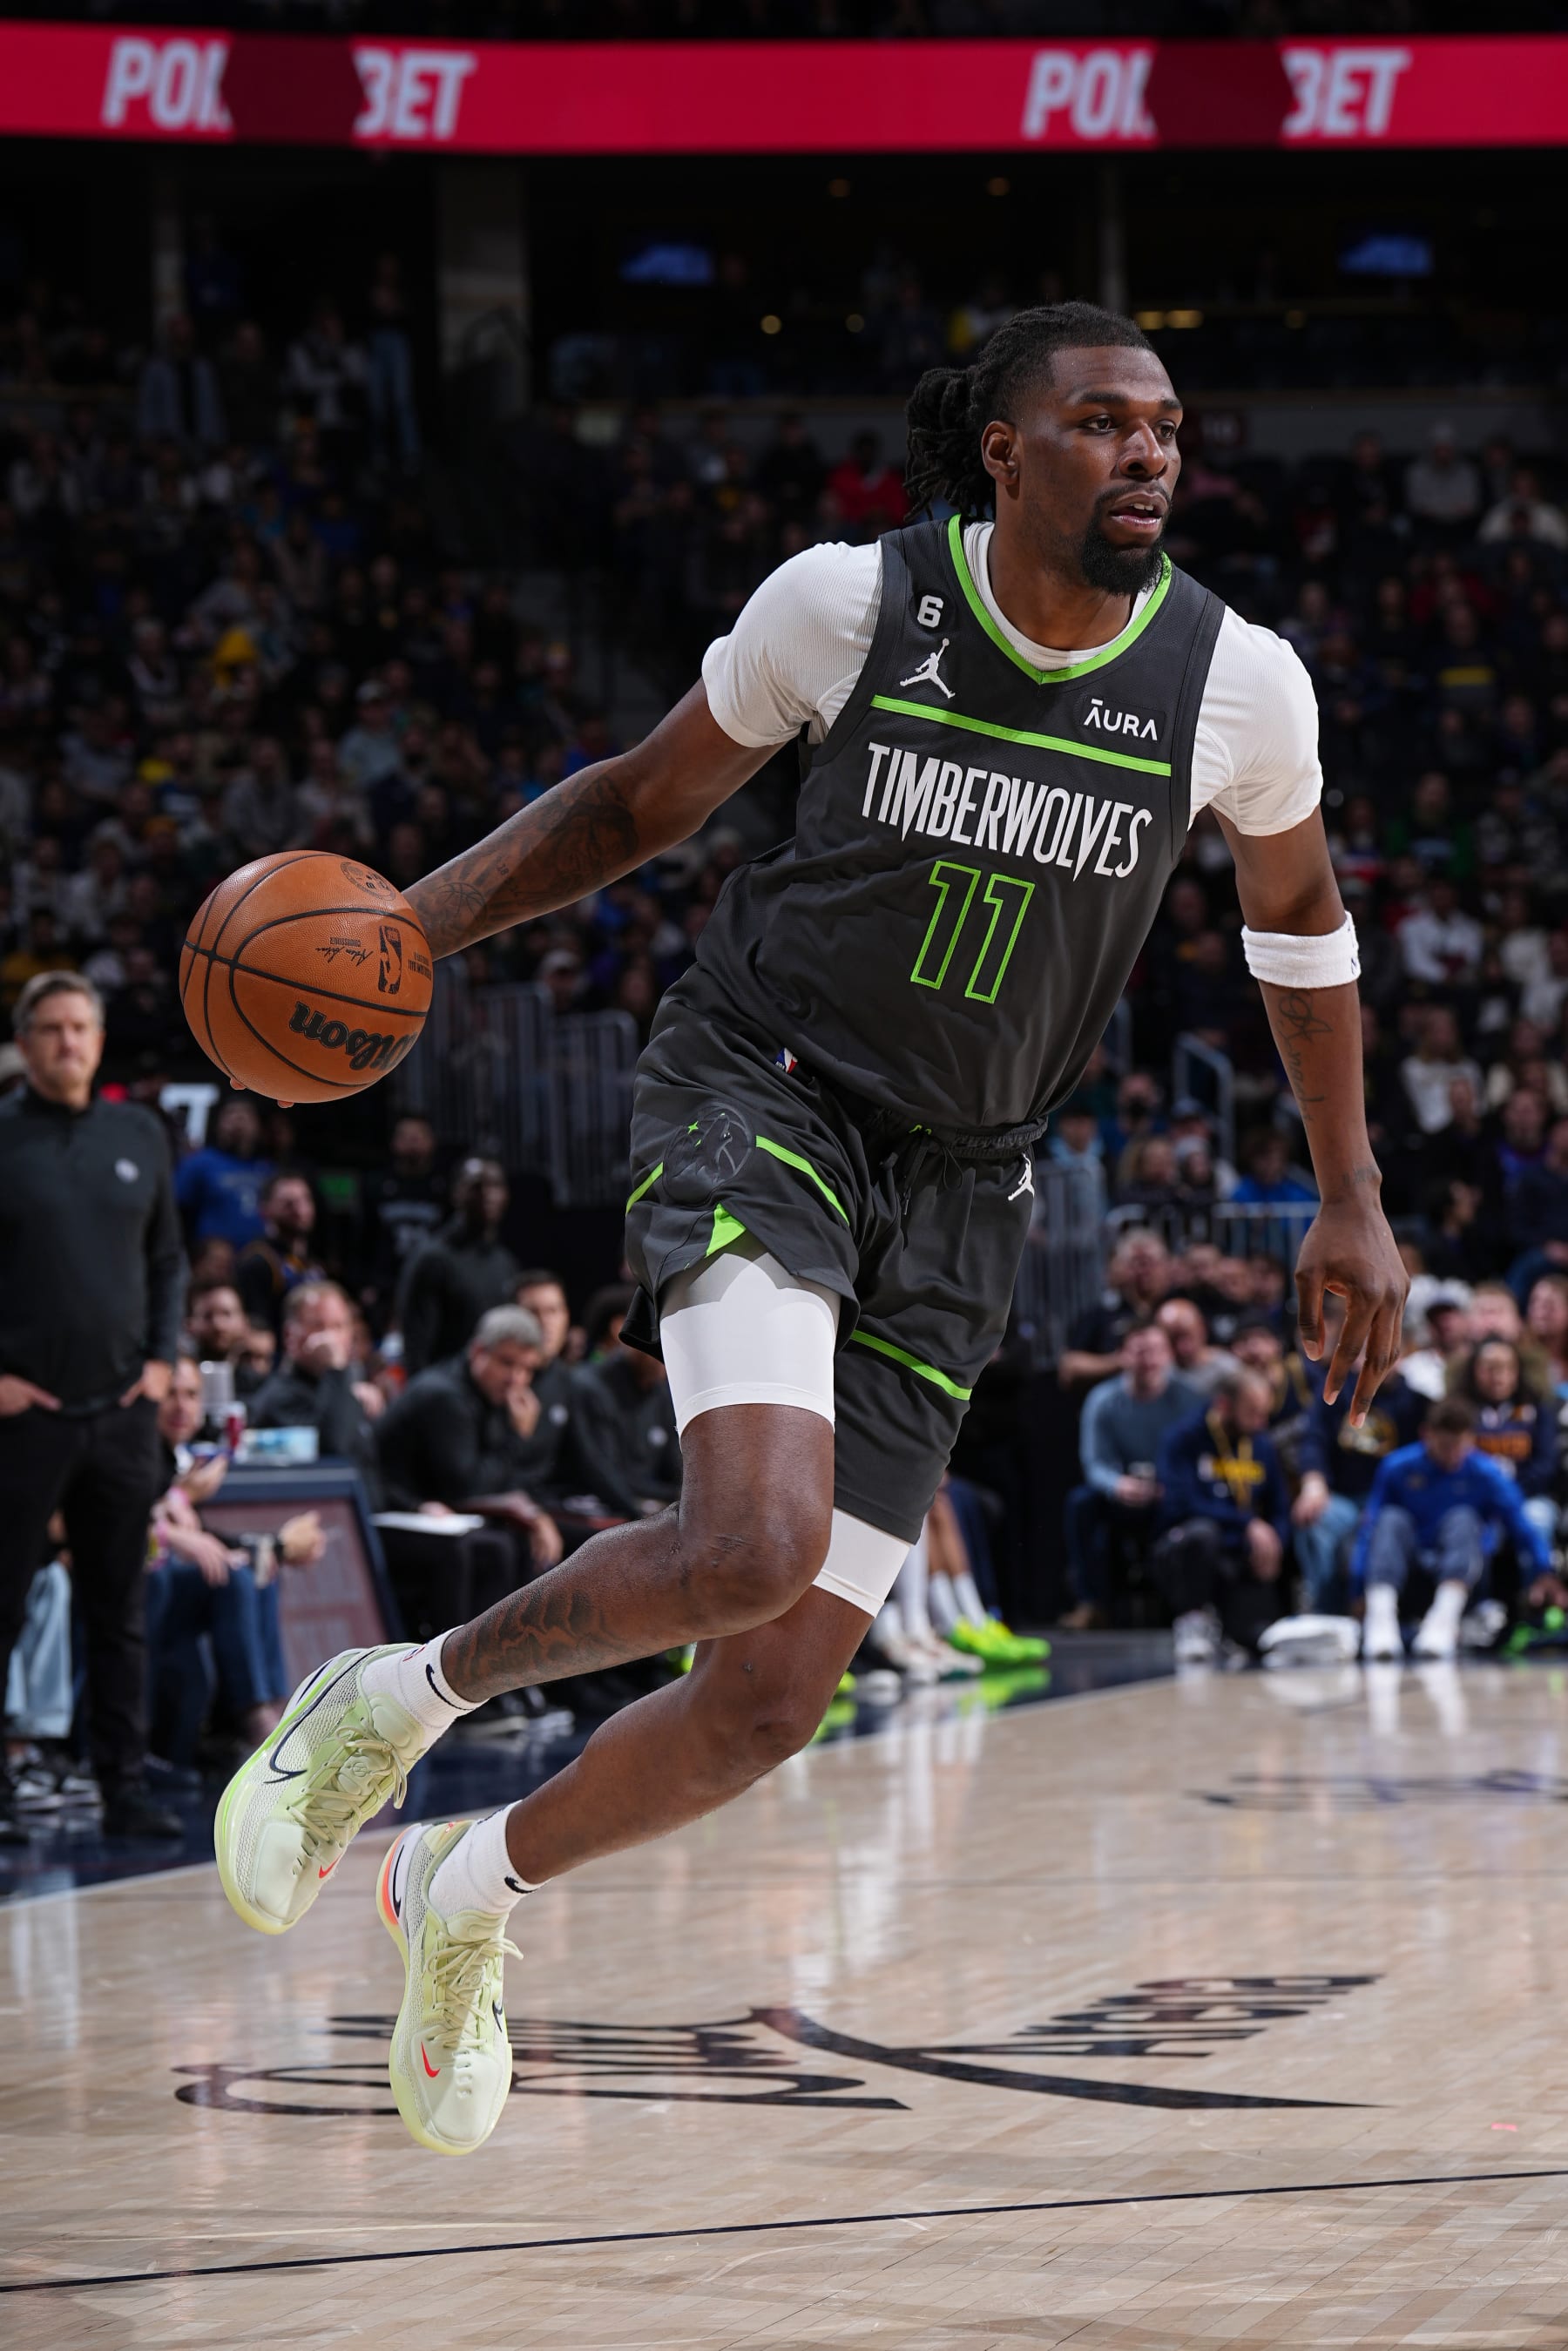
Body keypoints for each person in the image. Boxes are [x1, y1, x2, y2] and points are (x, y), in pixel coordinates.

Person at [214, 301, 1406, 2158]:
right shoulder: (849, 606)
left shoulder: (1237, 683)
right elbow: (631, 804)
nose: (1151, 452)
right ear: (1004, 452)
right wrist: (404, 939)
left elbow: (1305, 923)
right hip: (763, 1084)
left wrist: (1350, 1192)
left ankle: (468, 1886)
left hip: (970, 1175)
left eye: (1168, 424)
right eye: (1104, 421)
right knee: (751, 1535)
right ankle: (395, 1693)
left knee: (769, 1698)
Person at [0, 972, 186, 1841]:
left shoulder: (139, 1132)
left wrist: (162, 1359)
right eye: (51, 1028)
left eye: (81, 1026)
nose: (68, 1041)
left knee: (117, 1610)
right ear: (25, 1041)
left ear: (101, 1039)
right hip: (22, 1414)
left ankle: (122, 1787)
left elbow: (168, 1260)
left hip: (121, 1413)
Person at [1356, 1396, 1551, 1661]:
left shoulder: (1486, 1473)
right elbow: (1371, 1528)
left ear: (1471, 1439)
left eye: (1458, 1446)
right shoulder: (1397, 1468)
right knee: (1390, 1519)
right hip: (1406, 1571)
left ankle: (1443, 1621)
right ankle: (1380, 1619)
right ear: (1427, 1434)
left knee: (1463, 1518)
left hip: (1463, 1576)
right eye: (1444, 1446)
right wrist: (1357, 1586)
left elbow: (1520, 1523)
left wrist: (1544, 1569)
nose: (1451, 1455)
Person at [1064, 1320, 1198, 1628]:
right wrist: (1118, 1486)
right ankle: (1092, 1603)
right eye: (1139, 1352)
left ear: (1168, 1355)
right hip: (1124, 1493)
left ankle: (1188, 1606)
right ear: (1123, 1356)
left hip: (1172, 1494)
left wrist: (1172, 1486)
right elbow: (1093, 1462)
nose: (1148, 1360)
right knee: (1080, 1504)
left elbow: (1199, 1457)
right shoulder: (1103, 1400)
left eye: (1155, 1351)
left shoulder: (1190, 1399)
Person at [1152, 1370, 1291, 1664]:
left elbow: (1279, 1506)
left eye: (1264, 1413)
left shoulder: (1260, 1444)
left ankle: (1234, 1627)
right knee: (1202, 1534)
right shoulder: (1184, 1438)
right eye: (1252, 1413)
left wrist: (1275, 1542)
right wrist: (1247, 1523)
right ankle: (1192, 1622)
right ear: (1224, 1405)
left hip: (1238, 1553)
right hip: (1185, 1549)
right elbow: (1182, 1504)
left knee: (1257, 1638)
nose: (1261, 1422)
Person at [248, 1281, 384, 1493]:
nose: (330, 1339)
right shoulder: (279, 1398)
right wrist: (337, 1370)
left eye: (338, 1327)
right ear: (289, 1335)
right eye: (318, 1326)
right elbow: (334, 1449)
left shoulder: (347, 1391)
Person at [395, 1156, 520, 1375]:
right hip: (446, 1392)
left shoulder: (505, 1262)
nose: (487, 1194)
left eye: (496, 1185)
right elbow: (417, 1349)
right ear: (457, 1193)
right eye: (476, 1186)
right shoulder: (432, 1259)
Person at [173, 1095, 272, 1250]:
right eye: (231, 1113)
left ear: (258, 1126)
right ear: (218, 1124)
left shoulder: (268, 1169)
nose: (238, 1119)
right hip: (213, 1264)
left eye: (246, 1114)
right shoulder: (199, 1163)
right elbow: (176, 1213)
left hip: (260, 1261)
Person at [235, 1172, 325, 1338]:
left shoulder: (313, 1262)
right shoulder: (259, 1262)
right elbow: (257, 1328)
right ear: (265, 1210)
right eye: (289, 1204)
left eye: (305, 1200)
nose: (300, 1210)